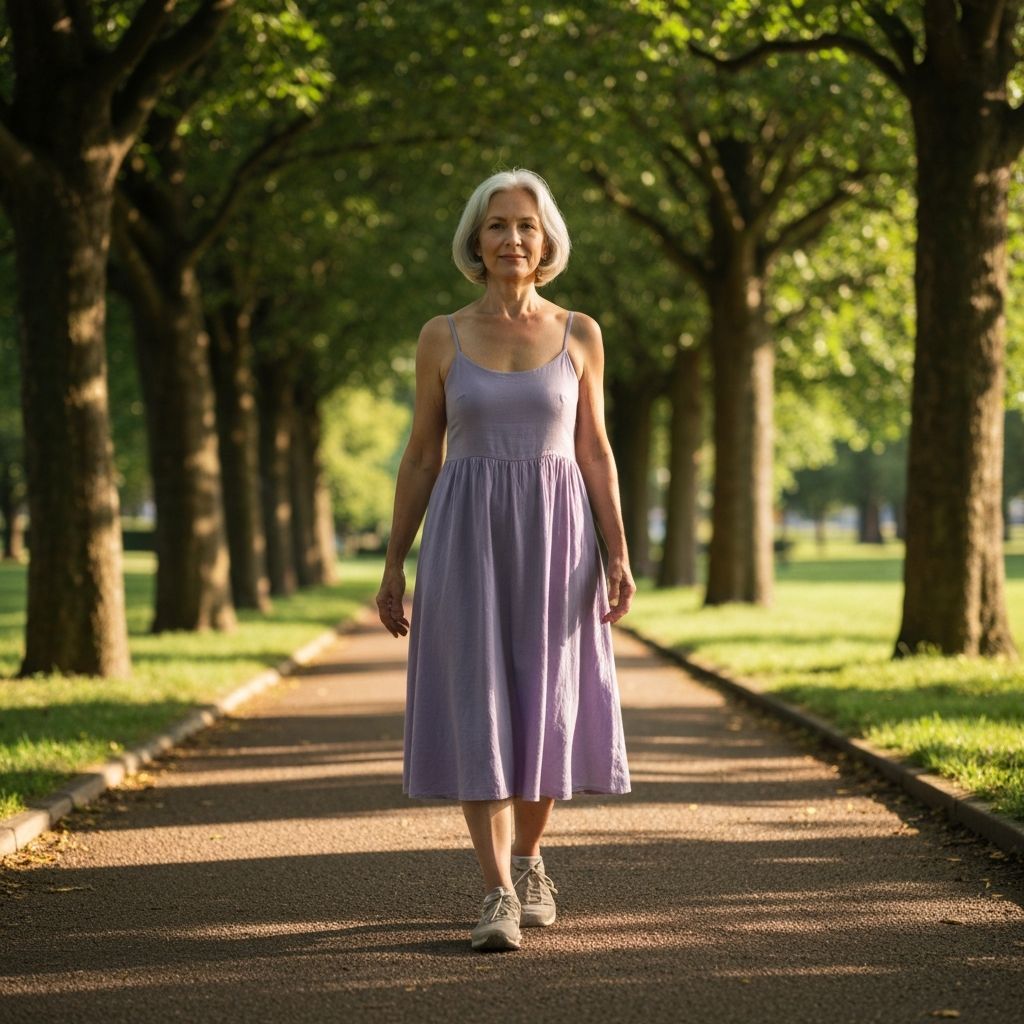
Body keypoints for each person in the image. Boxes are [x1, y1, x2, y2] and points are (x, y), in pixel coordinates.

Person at [376, 168, 634, 952]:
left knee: (546, 703)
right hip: (466, 537)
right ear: (475, 243)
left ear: (546, 238)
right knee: (478, 701)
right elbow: (422, 455)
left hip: (559, 540)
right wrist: (393, 564)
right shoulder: (441, 335)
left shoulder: (580, 332)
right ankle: (493, 893)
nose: (513, 238)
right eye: (498, 226)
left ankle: (528, 861)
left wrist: (617, 552)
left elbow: (594, 449)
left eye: (526, 224)